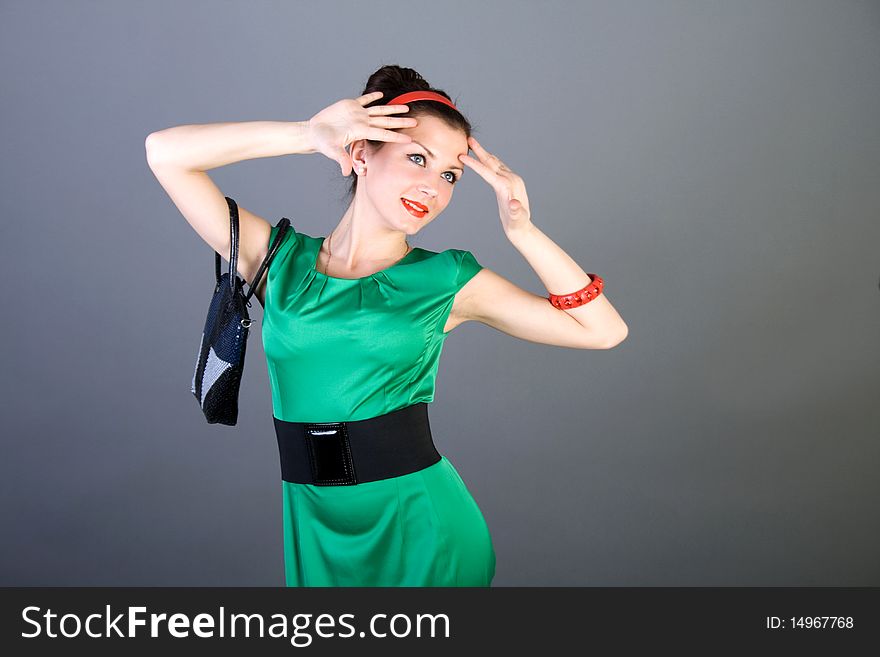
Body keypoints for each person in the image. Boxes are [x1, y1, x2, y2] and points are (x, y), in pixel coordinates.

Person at [146, 64, 628, 587]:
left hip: (422, 528)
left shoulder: (445, 279)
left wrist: (523, 230)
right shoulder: (279, 261)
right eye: (417, 158)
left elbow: (601, 330)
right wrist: (308, 135)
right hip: (315, 523)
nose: (433, 187)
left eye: (449, 175)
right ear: (360, 154)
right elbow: (165, 154)